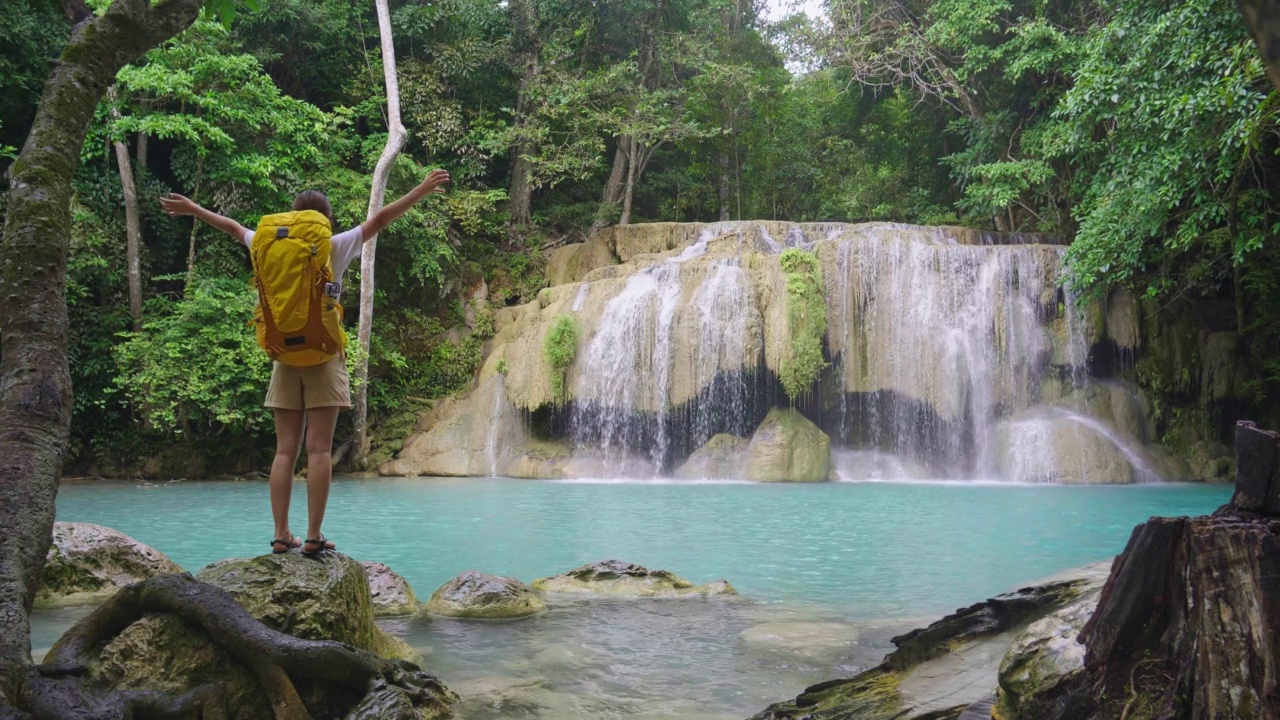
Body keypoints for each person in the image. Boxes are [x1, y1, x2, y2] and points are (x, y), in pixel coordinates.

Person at [159, 169, 450, 556]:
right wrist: (421, 189)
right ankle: (313, 536)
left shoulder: (267, 244)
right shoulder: (332, 245)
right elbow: (380, 220)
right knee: (317, 450)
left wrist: (194, 208)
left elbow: (232, 228)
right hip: (325, 355)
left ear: (294, 216)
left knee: (284, 451)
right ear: (324, 219)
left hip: (283, 356)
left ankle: (281, 534)